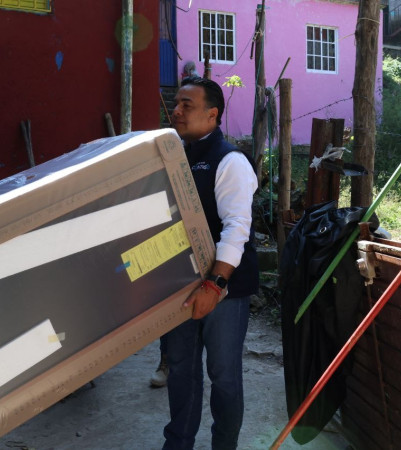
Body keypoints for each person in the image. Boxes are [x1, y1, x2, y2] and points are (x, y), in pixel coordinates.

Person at [161, 76, 259, 450]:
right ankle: (178, 443)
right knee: (181, 370)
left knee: (224, 375)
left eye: (187, 105)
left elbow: (236, 229)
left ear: (212, 114)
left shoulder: (230, 161)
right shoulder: (175, 158)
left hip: (223, 290)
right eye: (176, 103)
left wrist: (214, 285)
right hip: (180, 285)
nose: (177, 111)